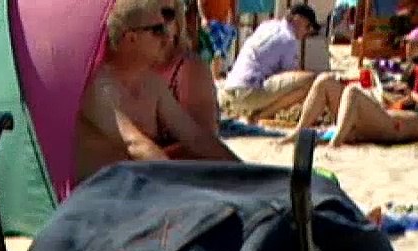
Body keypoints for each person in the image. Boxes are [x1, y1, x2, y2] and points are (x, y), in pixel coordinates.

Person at [75, 0, 239, 183]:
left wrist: (245, 172)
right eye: (158, 30)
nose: (168, 36)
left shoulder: (151, 83)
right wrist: (180, 188)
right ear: (131, 38)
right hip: (99, 196)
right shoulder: (99, 87)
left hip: (136, 188)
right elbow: (135, 144)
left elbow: (195, 137)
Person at [279, 26, 418, 146]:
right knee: (325, 81)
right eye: (407, 44)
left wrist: (411, 95)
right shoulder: (413, 69)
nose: (407, 48)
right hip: (382, 116)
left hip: (396, 124)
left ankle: (335, 144)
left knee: (352, 92)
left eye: (412, 45)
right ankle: (297, 133)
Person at [216, 4, 324, 122]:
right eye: (308, 27)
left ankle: (255, 112)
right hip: (248, 93)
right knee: (310, 81)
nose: (307, 32)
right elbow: (291, 74)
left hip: (231, 89)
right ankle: (257, 117)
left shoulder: (267, 25)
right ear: (297, 19)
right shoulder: (288, 39)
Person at [156, 0, 220, 138]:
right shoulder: (125, 69)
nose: (156, 21)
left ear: (178, 22)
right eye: (145, 13)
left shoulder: (189, 70)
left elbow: (204, 140)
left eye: (166, 14)